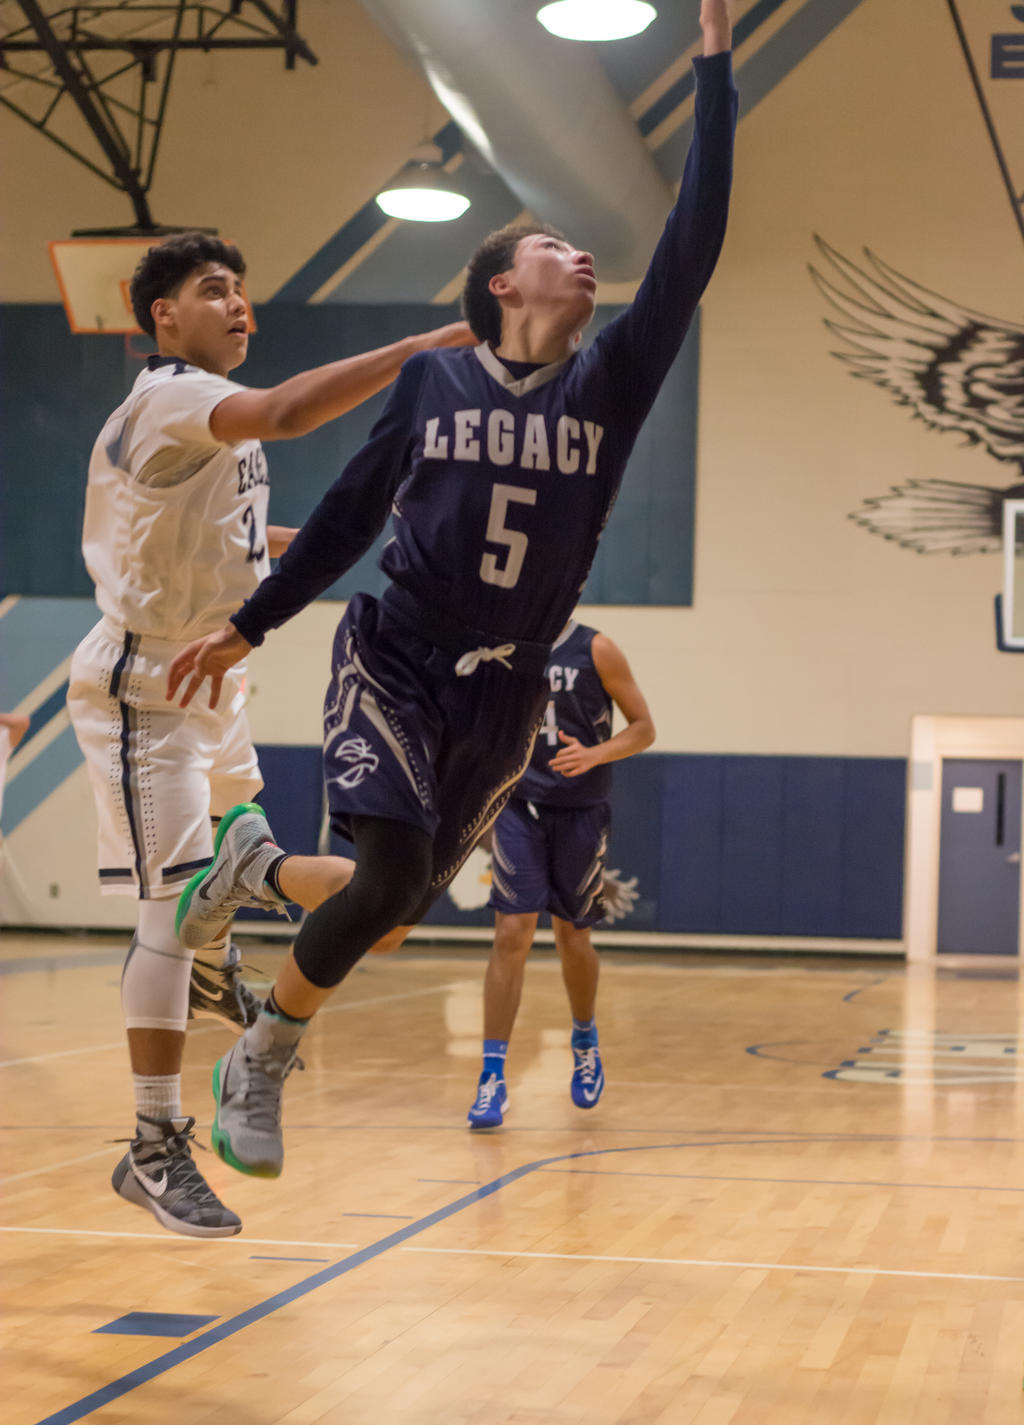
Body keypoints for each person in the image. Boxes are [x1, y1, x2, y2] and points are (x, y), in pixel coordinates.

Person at [168, 0, 736, 1183]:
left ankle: (247, 881)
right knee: (384, 877)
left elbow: (691, 246)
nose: (580, 255)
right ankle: (262, 1058)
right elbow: (346, 516)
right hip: (397, 655)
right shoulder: (432, 387)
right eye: (552, 247)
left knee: (400, 908)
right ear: (502, 286)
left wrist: (715, 63)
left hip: (508, 689)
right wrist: (250, 624)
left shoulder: (608, 385)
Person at [66, 230, 472, 1238]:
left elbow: (229, 540)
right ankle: (151, 1145)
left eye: (244, 290)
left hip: (212, 680)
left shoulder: (213, 425)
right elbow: (291, 412)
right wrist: (419, 349)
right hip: (147, 689)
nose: (240, 304)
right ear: (161, 314)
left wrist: (338, 542)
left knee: (264, 866)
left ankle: (224, 921)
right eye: (215, 290)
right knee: (164, 917)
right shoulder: (172, 397)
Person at [468, 620, 654, 1128]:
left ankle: (585, 1038)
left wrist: (595, 754)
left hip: (580, 810)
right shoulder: (503, 645)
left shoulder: (597, 649)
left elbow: (643, 728)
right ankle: (491, 1077)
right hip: (517, 806)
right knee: (512, 932)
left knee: (573, 935)